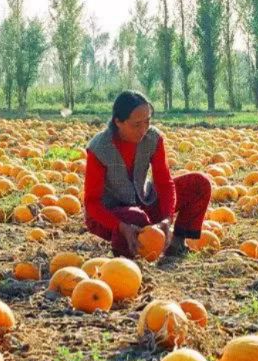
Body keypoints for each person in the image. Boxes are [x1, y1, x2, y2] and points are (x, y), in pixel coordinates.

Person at [84, 90, 212, 258]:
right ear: (118, 122)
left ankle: (176, 243)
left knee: (199, 183)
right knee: (135, 217)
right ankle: (127, 255)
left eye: (147, 122)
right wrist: (121, 226)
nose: (143, 129)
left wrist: (167, 218)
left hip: (142, 202)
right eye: (136, 125)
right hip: (109, 215)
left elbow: (164, 183)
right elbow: (92, 203)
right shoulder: (99, 148)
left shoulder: (153, 139)